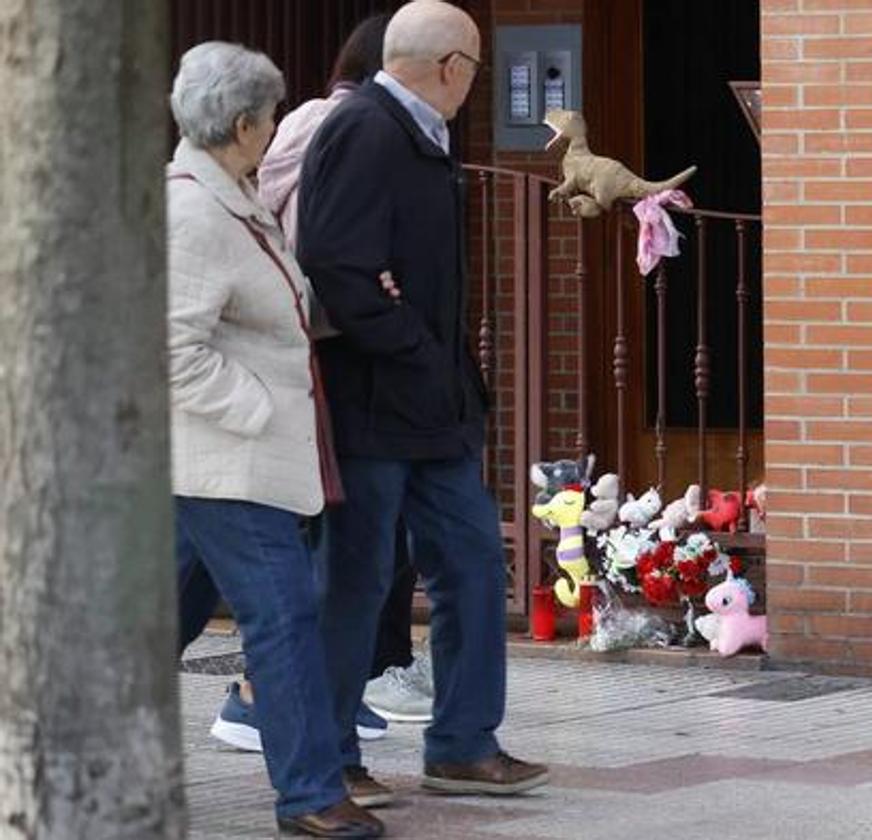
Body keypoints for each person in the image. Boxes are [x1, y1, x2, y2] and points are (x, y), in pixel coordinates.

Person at [298, 0, 548, 795]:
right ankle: (332, 756)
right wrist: (408, 343)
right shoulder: (365, 127)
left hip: (433, 407)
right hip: (374, 406)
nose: (473, 85)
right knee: (357, 582)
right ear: (451, 67)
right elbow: (336, 261)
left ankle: (463, 744)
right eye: (474, 68)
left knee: (473, 565)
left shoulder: (421, 133)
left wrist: (441, 370)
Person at [168, 42, 383, 838]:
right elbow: (167, 349)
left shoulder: (234, 195)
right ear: (243, 122)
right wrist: (256, 405)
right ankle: (311, 796)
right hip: (225, 460)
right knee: (285, 620)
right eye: (269, 116)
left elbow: (271, 309)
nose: (276, 128)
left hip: (218, 463)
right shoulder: (192, 210)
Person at [207, 12, 433, 759]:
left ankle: (313, 701)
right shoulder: (330, 123)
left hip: (312, 358)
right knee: (301, 552)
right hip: (302, 368)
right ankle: (257, 700)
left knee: (338, 541)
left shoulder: (332, 128)